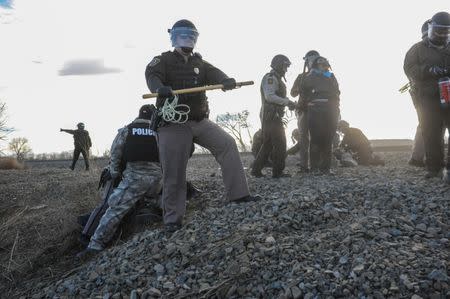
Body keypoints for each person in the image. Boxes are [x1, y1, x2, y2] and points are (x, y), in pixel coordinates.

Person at [145, 19, 260, 232]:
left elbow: (216, 73)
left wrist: (227, 80)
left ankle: (239, 195)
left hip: (200, 120)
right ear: (173, 36)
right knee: (174, 170)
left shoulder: (200, 63)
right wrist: (159, 88)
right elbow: (151, 76)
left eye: (191, 35)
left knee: (227, 144)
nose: (187, 38)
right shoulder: (162, 60)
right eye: (183, 34)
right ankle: (172, 219)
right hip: (172, 123)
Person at [77, 105, 162, 258]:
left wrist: (115, 172)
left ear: (138, 115)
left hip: (134, 180)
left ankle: (95, 245)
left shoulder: (128, 129)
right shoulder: (160, 131)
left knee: (114, 209)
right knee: (156, 201)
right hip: (158, 180)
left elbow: (115, 153)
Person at [404, 11, 450, 182]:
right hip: (427, 98)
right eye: (439, 31)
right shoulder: (416, 49)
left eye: (446, 31)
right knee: (431, 133)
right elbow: (409, 69)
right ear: (431, 28)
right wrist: (428, 71)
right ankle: (434, 169)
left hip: (449, 94)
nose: (443, 34)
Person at [251, 54, 296, 178]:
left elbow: (277, 96)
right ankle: (278, 172)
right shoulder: (270, 78)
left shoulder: (277, 79)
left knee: (268, 144)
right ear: (278, 65)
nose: (286, 69)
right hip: (271, 115)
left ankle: (256, 170)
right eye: (284, 66)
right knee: (281, 143)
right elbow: (269, 96)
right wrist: (287, 102)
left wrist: (289, 102)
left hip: (271, 115)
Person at [298, 56, 340, 174]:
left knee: (328, 139)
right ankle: (315, 168)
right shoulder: (309, 77)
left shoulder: (331, 77)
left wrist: (336, 107)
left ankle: (326, 168)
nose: (324, 67)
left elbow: (337, 92)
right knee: (316, 139)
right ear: (316, 65)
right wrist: (308, 103)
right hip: (315, 109)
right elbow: (303, 93)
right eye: (321, 65)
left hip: (331, 109)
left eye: (325, 65)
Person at [290, 50, 321, 172]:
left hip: (319, 111)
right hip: (304, 111)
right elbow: (293, 93)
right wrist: (300, 87)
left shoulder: (324, 76)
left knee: (317, 138)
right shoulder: (301, 77)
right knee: (304, 139)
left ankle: (316, 165)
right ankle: (304, 166)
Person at [408, 20, 431, 167]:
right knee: (426, 125)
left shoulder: (415, 49)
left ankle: (417, 158)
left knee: (424, 125)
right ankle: (419, 158)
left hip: (420, 94)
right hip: (423, 94)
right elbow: (411, 72)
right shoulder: (417, 49)